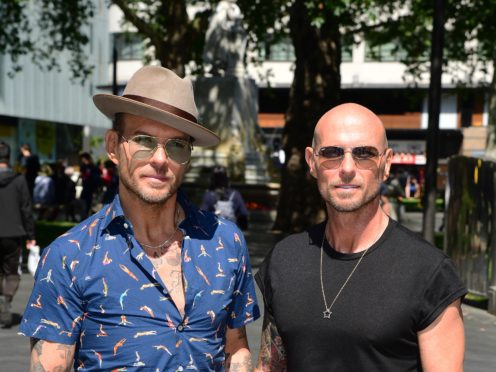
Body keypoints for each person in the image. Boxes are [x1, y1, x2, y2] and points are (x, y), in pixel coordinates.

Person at [20, 65, 259, 371]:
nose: (160, 159)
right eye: (144, 140)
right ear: (113, 147)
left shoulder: (225, 242)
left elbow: (236, 348)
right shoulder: (70, 256)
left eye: (176, 145)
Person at [255, 103, 467, 371]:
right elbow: (269, 366)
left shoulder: (429, 271)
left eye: (364, 154)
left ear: (386, 163)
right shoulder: (284, 259)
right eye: (331, 153)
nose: (346, 167)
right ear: (312, 162)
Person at [0, 141, 36, 327]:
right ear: (9, 158)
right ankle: (6, 298)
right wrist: (31, 234)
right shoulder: (19, 180)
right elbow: (26, 209)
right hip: (13, 232)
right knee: (12, 271)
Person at [201, 165, 249, 230]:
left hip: (214, 230)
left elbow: (203, 214)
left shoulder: (209, 195)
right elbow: (243, 214)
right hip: (231, 230)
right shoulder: (235, 194)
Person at [78, 152, 101, 219]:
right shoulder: (83, 167)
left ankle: (88, 219)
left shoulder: (93, 167)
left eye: (82, 159)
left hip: (91, 189)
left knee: (90, 205)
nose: (81, 160)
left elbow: (96, 179)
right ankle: (84, 218)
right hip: (86, 188)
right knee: (85, 204)